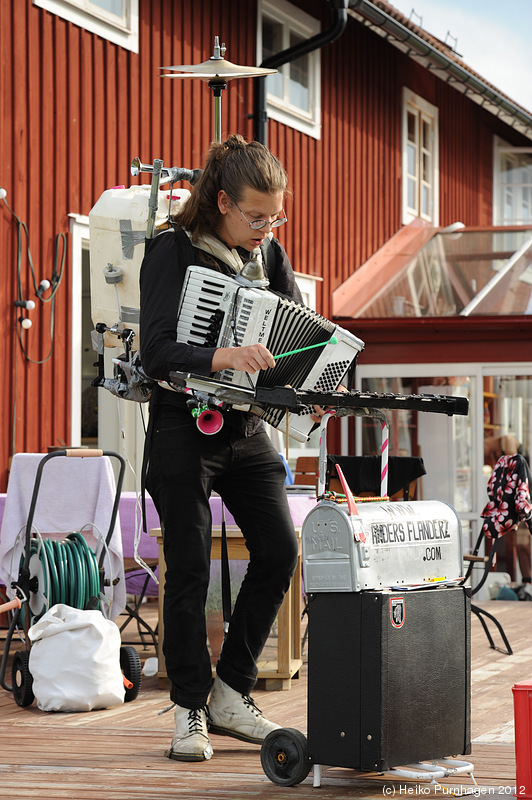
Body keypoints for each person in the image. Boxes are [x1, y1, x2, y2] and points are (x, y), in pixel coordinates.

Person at [139, 134, 303, 762]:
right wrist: (220, 354)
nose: (266, 228)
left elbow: (293, 331)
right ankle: (188, 709)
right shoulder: (171, 252)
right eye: (256, 216)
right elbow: (155, 353)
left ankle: (231, 691)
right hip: (183, 428)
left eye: (275, 216)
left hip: (246, 428)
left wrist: (308, 377)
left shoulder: (271, 255)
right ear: (222, 200)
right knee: (187, 567)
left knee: (280, 549)